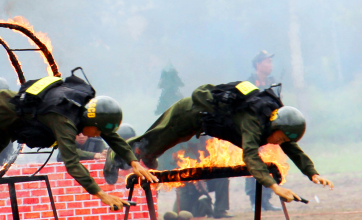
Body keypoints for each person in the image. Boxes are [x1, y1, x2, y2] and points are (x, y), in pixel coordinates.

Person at [0, 70, 158, 220]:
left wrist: (133, 161)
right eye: (97, 130)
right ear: (91, 120)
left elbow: (111, 135)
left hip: (9, 126)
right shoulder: (64, 120)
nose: (97, 135)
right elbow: (71, 162)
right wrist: (100, 194)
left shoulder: (86, 105)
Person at [125, 81, 334, 202]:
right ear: (274, 126)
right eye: (279, 138)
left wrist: (312, 173)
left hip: (200, 124)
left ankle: (147, 154)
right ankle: (117, 153)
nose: (277, 142)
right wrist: (274, 187)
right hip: (189, 112)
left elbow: (293, 149)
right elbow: (250, 155)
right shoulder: (254, 121)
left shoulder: (273, 122)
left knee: (154, 148)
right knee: (150, 140)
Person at [245, 50, 280, 211]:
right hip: (253, 130)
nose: (270, 65)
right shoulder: (248, 83)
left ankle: (266, 199)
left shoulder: (273, 83)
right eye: (267, 62)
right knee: (254, 164)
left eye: (271, 62)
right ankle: (255, 200)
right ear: (258, 65)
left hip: (269, 130)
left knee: (269, 164)